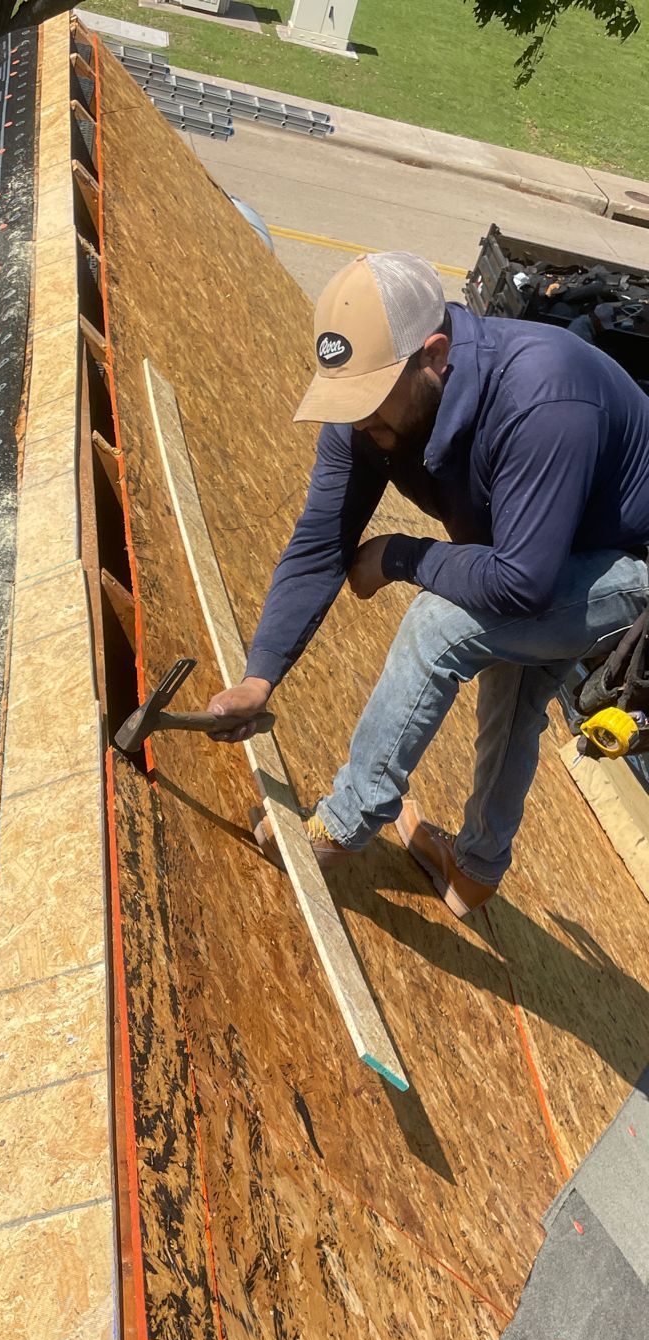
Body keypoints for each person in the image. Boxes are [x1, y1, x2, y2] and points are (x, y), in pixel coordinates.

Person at [207, 250, 649, 917]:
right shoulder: (370, 409)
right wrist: (259, 676)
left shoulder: (541, 395)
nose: (359, 422)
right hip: (557, 546)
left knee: (441, 620)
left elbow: (524, 583)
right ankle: (475, 869)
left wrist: (400, 556)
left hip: (631, 564)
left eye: (372, 401)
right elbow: (320, 545)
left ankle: (344, 826)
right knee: (517, 679)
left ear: (434, 354)